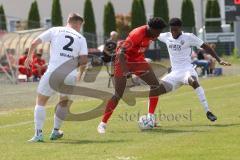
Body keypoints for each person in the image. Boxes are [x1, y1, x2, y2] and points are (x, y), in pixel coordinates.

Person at [145, 18, 231, 126]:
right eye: (172, 30)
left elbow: (206, 47)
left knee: (193, 81)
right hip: (174, 74)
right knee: (154, 89)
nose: (173, 32)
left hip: (187, 70)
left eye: (175, 30)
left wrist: (219, 60)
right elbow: (150, 33)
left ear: (180, 28)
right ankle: (150, 118)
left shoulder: (189, 37)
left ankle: (208, 111)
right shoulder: (166, 36)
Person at [97, 17, 167, 134]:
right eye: (158, 32)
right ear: (151, 29)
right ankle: (102, 124)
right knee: (118, 94)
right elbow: (120, 53)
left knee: (155, 85)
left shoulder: (153, 33)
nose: (158, 35)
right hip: (123, 60)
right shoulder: (137, 34)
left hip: (137, 60)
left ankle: (150, 119)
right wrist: (126, 71)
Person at [25, 13, 88, 142]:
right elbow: (83, 60)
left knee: (41, 101)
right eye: (80, 25)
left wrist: (29, 57)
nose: (80, 28)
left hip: (53, 72)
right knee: (63, 102)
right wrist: (80, 74)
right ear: (76, 23)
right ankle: (55, 131)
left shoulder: (55, 30)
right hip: (70, 74)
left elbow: (34, 42)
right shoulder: (81, 38)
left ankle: (38, 134)